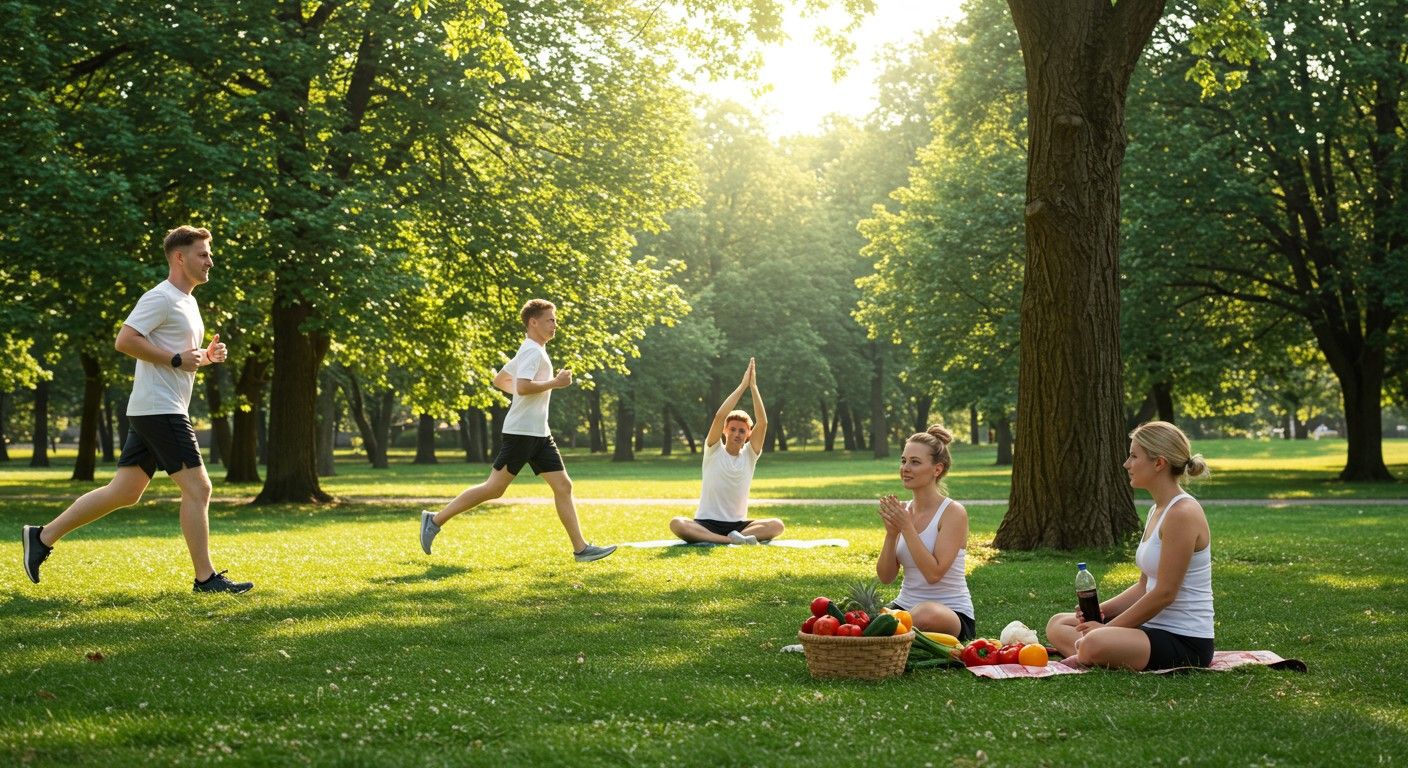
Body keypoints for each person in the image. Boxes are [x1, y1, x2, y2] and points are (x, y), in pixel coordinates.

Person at [22, 226, 252, 593]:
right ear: (179, 257)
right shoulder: (161, 297)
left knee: (125, 491)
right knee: (200, 488)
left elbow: (178, 359)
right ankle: (206, 579)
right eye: (203, 254)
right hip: (161, 409)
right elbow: (125, 340)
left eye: (209, 254)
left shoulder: (187, 301)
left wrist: (205, 358)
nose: (210, 260)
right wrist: (177, 359)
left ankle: (42, 537)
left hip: (155, 407)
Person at [420, 299, 615, 562]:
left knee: (563, 485)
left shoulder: (531, 350)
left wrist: (536, 388)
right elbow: (522, 386)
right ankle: (435, 519)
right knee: (494, 488)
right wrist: (554, 383)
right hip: (522, 432)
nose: (555, 324)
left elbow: (500, 380)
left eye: (554, 319)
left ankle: (581, 549)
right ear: (533, 322)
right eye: (550, 319)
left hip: (539, 433)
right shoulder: (532, 352)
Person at [1046, 421, 1214, 671]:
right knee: (1058, 624)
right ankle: (1090, 650)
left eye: (1134, 456)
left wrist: (1107, 629)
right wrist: (1100, 613)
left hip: (1184, 641)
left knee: (1095, 640)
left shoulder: (1183, 513)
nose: (1127, 464)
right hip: (1149, 630)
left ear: (1159, 463)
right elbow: (1144, 586)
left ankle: (1090, 650)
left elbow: (1165, 593)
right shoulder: (1157, 511)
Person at [875, 425, 975, 640]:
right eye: (903, 461)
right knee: (860, 614)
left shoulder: (953, 512)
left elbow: (934, 574)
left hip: (948, 613)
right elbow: (886, 577)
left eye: (915, 462)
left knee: (923, 614)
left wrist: (907, 528)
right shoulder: (904, 510)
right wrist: (891, 534)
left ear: (937, 469)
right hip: (904, 607)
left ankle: (881, 634)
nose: (905, 468)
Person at [668, 358, 783, 545]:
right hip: (706, 524)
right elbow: (720, 416)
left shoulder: (750, 455)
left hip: (739, 525)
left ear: (748, 435)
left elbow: (763, 422)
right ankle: (728, 540)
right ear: (725, 430)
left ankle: (735, 538)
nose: (737, 433)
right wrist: (742, 386)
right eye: (733, 429)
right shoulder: (713, 449)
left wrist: (753, 387)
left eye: (742, 430)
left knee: (777, 525)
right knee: (677, 523)